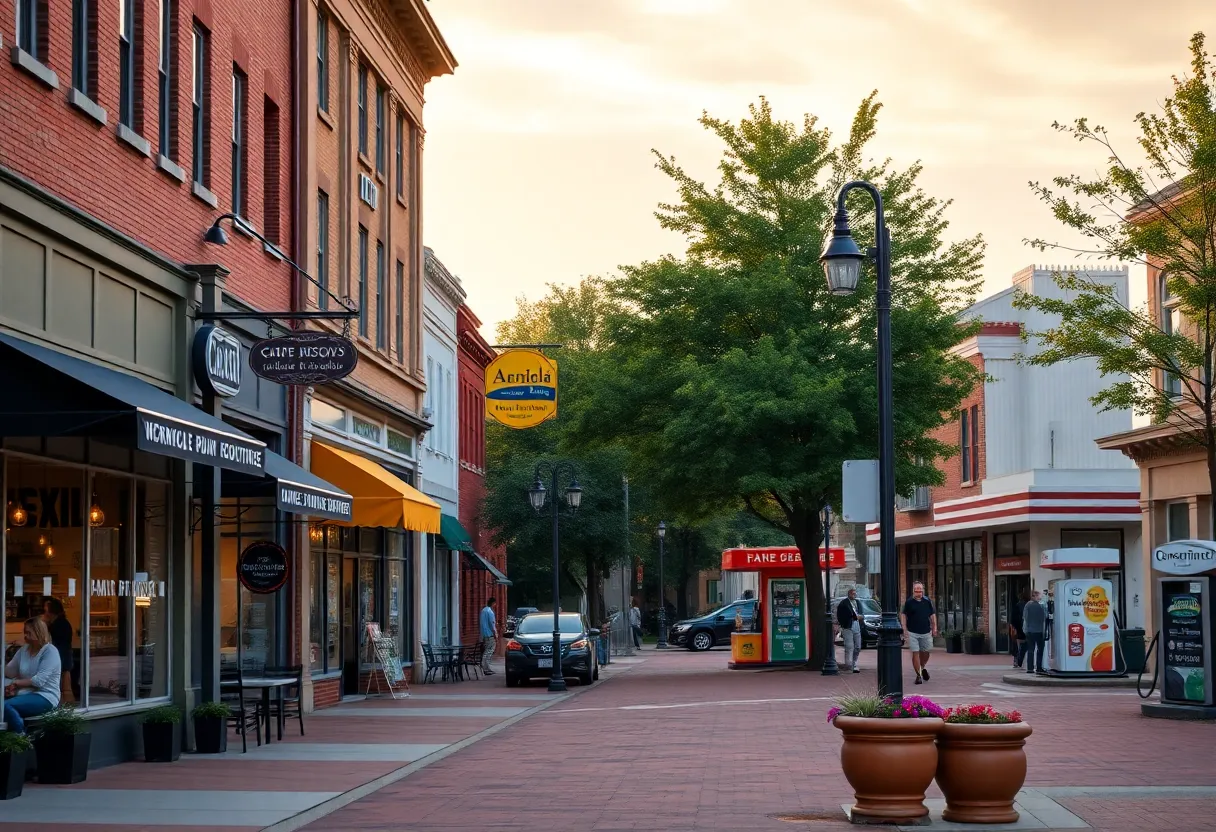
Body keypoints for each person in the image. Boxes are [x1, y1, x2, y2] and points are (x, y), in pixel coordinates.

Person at [4, 617, 62, 734]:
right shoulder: (24, 650)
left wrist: (16, 683)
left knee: (5, 706)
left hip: (45, 695)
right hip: (25, 693)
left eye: (29, 632)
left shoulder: (50, 651)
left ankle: (20, 737)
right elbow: (10, 672)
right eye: (25, 632)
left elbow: (39, 681)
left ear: (39, 632)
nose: (25, 636)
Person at [900, 581, 937, 685]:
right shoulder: (909, 602)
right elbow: (903, 615)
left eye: (920, 591)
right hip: (912, 632)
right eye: (917, 591)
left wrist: (935, 627)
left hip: (926, 631)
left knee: (926, 652)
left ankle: (922, 667)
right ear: (913, 591)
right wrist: (904, 628)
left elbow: (932, 614)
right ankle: (919, 675)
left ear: (923, 591)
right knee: (915, 652)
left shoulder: (927, 601)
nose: (919, 593)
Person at [43, 598, 74, 703]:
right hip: (65, 657)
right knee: (65, 685)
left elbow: (54, 642)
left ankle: (63, 704)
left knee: (62, 685)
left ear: (52, 611)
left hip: (61, 657)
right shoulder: (62, 623)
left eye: (46, 610)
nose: (45, 613)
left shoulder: (58, 625)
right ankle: (67, 705)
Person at [836, 588, 863, 673]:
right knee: (849, 646)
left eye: (855, 594)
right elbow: (841, 615)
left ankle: (853, 663)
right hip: (847, 627)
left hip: (857, 626)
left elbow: (862, 614)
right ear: (849, 594)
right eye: (852, 594)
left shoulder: (858, 602)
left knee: (858, 647)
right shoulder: (844, 603)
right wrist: (852, 618)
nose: (854, 595)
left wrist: (860, 617)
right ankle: (849, 665)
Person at [1023, 590, 1047, 674]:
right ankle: (1039, 667)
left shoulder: (1027, 605)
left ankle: (1030, 668)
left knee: (1030, 649)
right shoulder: (1041, 605)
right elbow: (1045, 617)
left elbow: (1025, 617)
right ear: (1035, 596)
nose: (1040, 597)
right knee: (1040, 650)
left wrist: (1025, 629)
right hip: (1039, 630)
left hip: (1030, 630)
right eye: (1039, 596)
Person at [1010, 589, 1029, 669]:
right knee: (1026, 644)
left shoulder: (1017, 606)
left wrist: (1014, 626)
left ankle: (1017, 660)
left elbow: (1013, 619)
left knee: (1017, 645)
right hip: (1026, 628)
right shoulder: (1028, 605)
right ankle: (1022, 660)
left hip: (1018, 628)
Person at [479, 597, 498, 676]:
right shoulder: (490, 612)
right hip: (489, 634)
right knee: (489, 650)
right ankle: (485, 667)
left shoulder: (483, 611)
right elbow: (492, 624)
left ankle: (485, 667)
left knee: (486, 650)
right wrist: (495, 633)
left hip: (484, 634)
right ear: (493, 603)